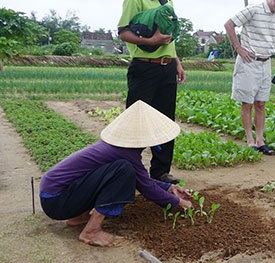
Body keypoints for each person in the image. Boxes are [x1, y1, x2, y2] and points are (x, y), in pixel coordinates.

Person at [39, 100, 192, 247]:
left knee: (122, 170)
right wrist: (179, 203)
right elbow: (146, 187)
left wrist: (169, 188)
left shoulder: (118, 147)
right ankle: (92, 231)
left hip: (56, 195)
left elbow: (142, 179)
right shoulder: (125, 152)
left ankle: (79, 216)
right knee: (124, 171)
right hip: (57, 200)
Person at [117, 0, 185, 184]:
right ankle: (130, 171)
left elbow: (170, 35)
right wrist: (150, 42)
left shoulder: (168, 0)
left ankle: (160, 171)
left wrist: (176, 61)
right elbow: (123, 32)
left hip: (166, 68)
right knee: (136, 120)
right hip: (144, 69)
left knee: (166, 120)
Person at [224, 0, 275, 155]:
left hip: (266, 63)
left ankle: (260, 140)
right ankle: (250, 140)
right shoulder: (254, 9)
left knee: (261, 103)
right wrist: (239, 48)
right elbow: (229, 24)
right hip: (249, 62)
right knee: (247, 103)